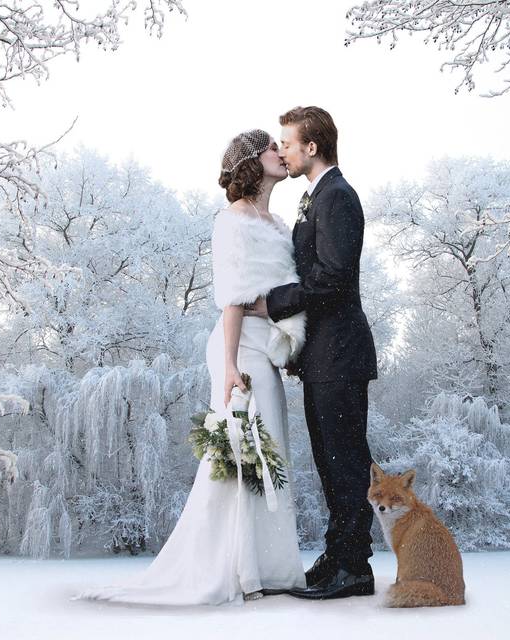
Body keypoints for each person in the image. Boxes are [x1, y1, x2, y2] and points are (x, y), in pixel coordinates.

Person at [77, 129, 306, 606]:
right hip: (238, 346)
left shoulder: (280, 224)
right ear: (250, 160)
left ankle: (270, 565)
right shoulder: (233, 219)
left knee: (274, 452)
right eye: (270, 148)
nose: (280, 153)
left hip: (269, 347)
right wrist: (227, 367)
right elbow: (232, 298)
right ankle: (238, 568)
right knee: (243, 453)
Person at [248, 106, 378, 600]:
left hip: (340, 354)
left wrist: (272, 303)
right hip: (324, 356)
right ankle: (337, 556)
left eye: (287, 141)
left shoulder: (338, 196)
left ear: (312, 147)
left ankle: (355, 567)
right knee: (329, 461)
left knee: (344, 461)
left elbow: (334, 277)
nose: (280, 149)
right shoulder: (316, 197)